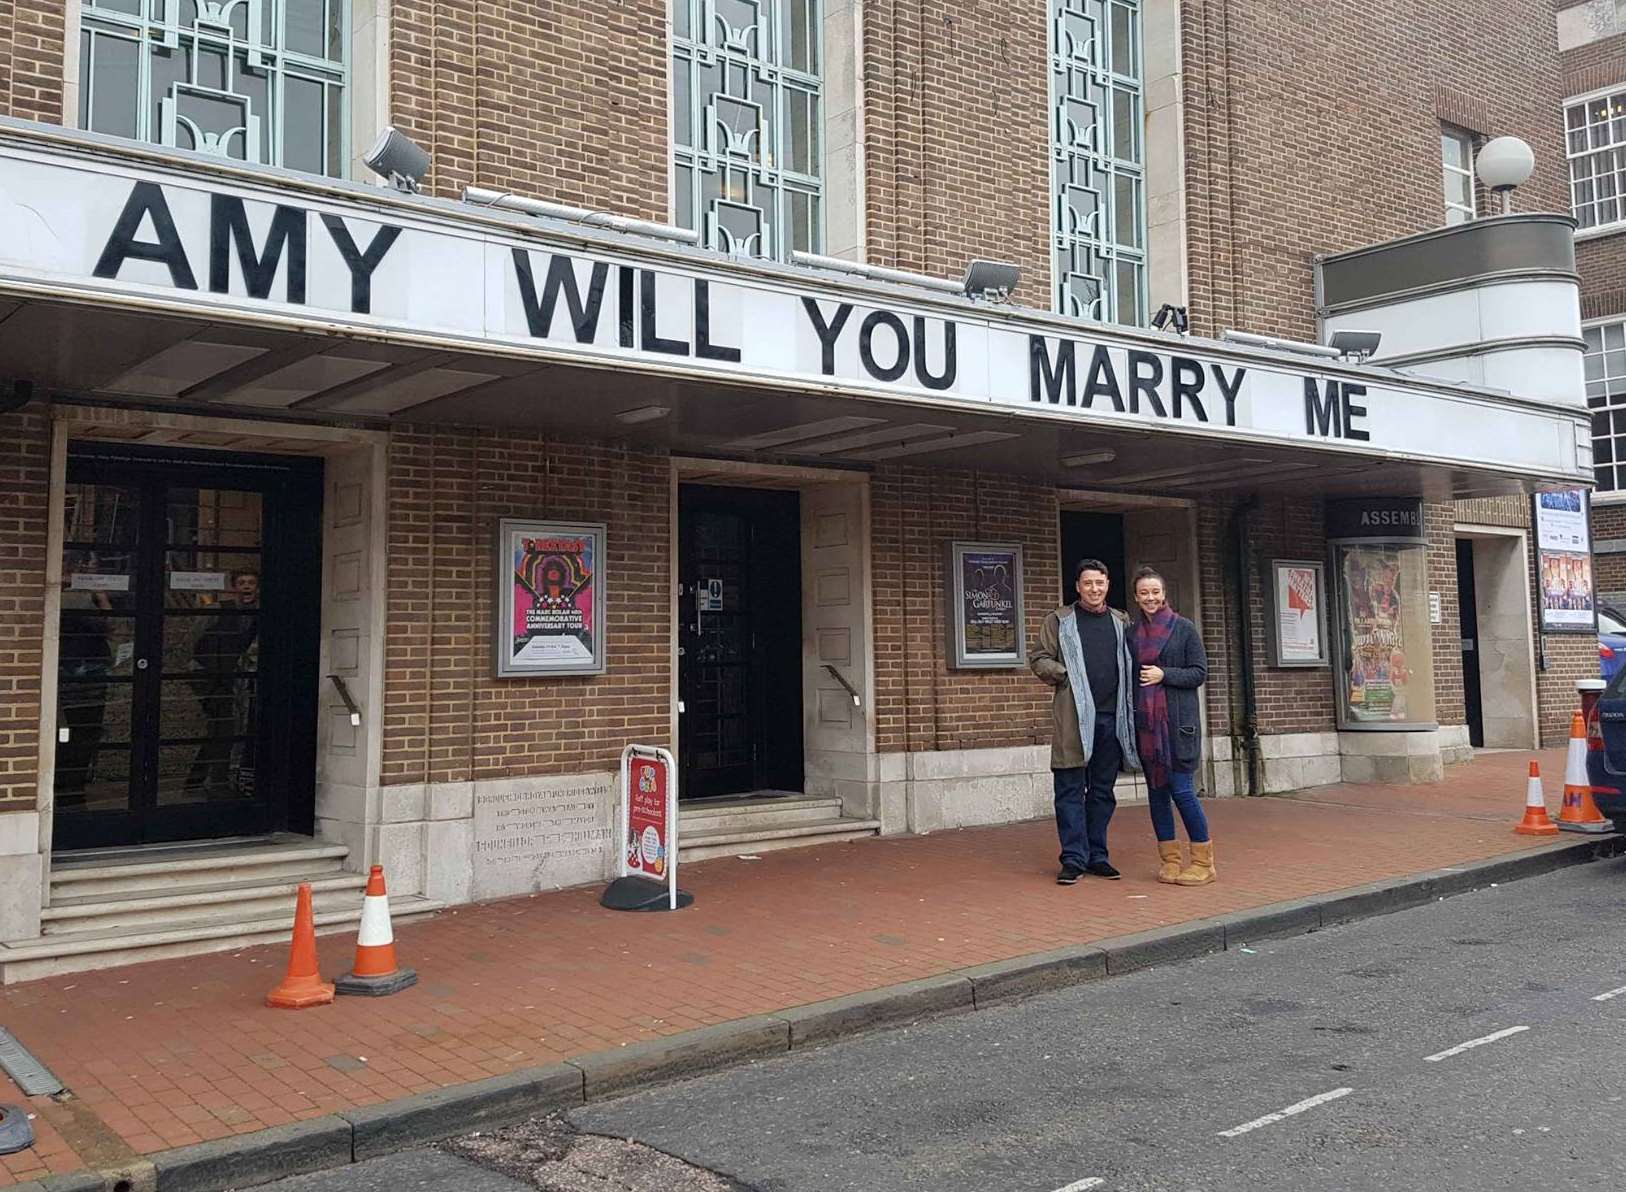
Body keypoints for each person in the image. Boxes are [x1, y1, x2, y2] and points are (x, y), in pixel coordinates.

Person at [1032, 558, 1139, 885]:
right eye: (1088, 583)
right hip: (1073, 721)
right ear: (1077, 587)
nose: (1095, 589)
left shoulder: (1122, 622)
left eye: (1100, 583)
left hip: (1112, 720)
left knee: (1103, 791)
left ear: (1107, 586)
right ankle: (1073, 858)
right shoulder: (1059, 620)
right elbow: (1038, 659)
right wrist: (1067, 675)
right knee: (1069, 790)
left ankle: (1098, 855)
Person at [1128, 566, 1215, 886]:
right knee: (1156, 794)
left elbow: (1199, 672)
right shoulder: (1133, 633)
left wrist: (1165, 675)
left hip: (1179, 728)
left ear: (1164, 594)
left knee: (1182, 791)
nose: (1150, 598)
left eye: (1155, 592)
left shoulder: (1184, 628)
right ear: (1136, 597)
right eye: (1143, 593)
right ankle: (1170, 860)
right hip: (1148, 729)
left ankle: (1204, 863)